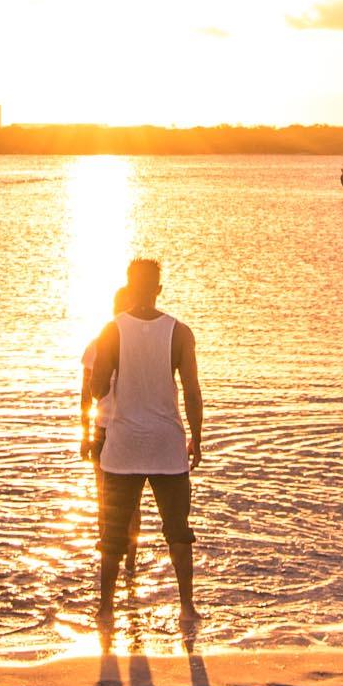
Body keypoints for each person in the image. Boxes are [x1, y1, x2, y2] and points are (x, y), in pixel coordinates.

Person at [82, 258, 204, 638]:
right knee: (178, 531)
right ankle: (187, 608)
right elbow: (192, 391)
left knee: (114, 534)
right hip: (168, 447)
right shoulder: (180, 332)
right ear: (158, 289)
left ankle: (105, 611)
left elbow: (98, 389)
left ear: (131, 287)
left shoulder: (111, 331)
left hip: (123, 447)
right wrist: (196, 439)